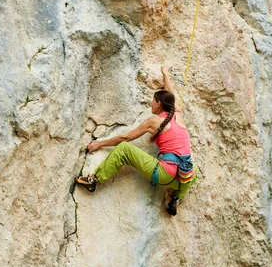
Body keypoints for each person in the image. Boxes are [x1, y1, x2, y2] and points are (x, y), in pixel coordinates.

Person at [75, 65, 196, 216]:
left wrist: (100, 143)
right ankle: (176, 199)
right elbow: (172, 96)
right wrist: (165, 75)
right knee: (194, 169)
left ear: (158, 104)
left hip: (165, 175)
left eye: (153, 101)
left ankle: (94, 180)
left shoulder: (154, 122)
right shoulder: (179, 115)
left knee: (125, 148)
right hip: (183, 178)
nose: (151, 103)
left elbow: (125, 138)